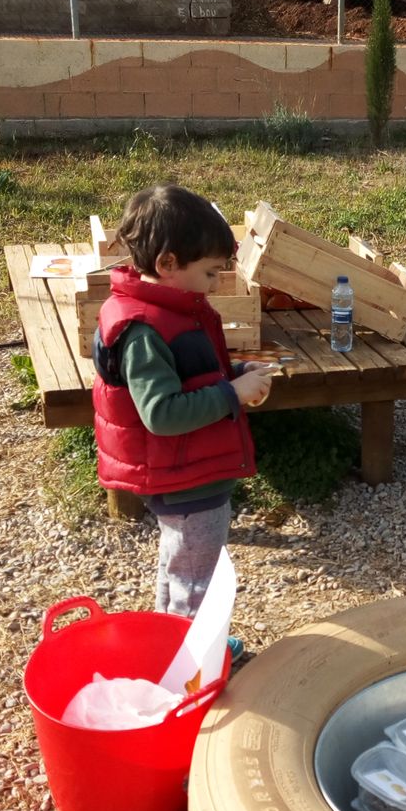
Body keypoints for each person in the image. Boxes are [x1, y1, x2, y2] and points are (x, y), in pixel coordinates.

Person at [92, 185, 273, 655]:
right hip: (184, 479)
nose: (214, 284)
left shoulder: (168, 310)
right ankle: (192, 662)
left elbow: (190, 376)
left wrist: (235, 373)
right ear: (168, 263)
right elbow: (162, 413)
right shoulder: (144, 330)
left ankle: (167, 642)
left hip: (185, 471)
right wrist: (232, 394)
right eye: (210, 272)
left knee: (180, 565)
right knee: (196, 578)